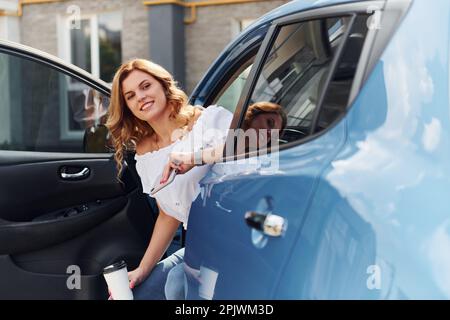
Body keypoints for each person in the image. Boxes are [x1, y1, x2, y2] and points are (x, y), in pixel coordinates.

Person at [105, 58, 233, 299]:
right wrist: (142, 270)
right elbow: (169, 214)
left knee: (176, 284)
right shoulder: (144, 153)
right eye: (130, 95)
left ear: (163, 85)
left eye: (145, 86)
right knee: (137, 292)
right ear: (127, 107)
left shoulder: (209, 120)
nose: (140, 97)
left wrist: (195, 157)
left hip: (236, 238)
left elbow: (255, 149)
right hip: (201, 247)